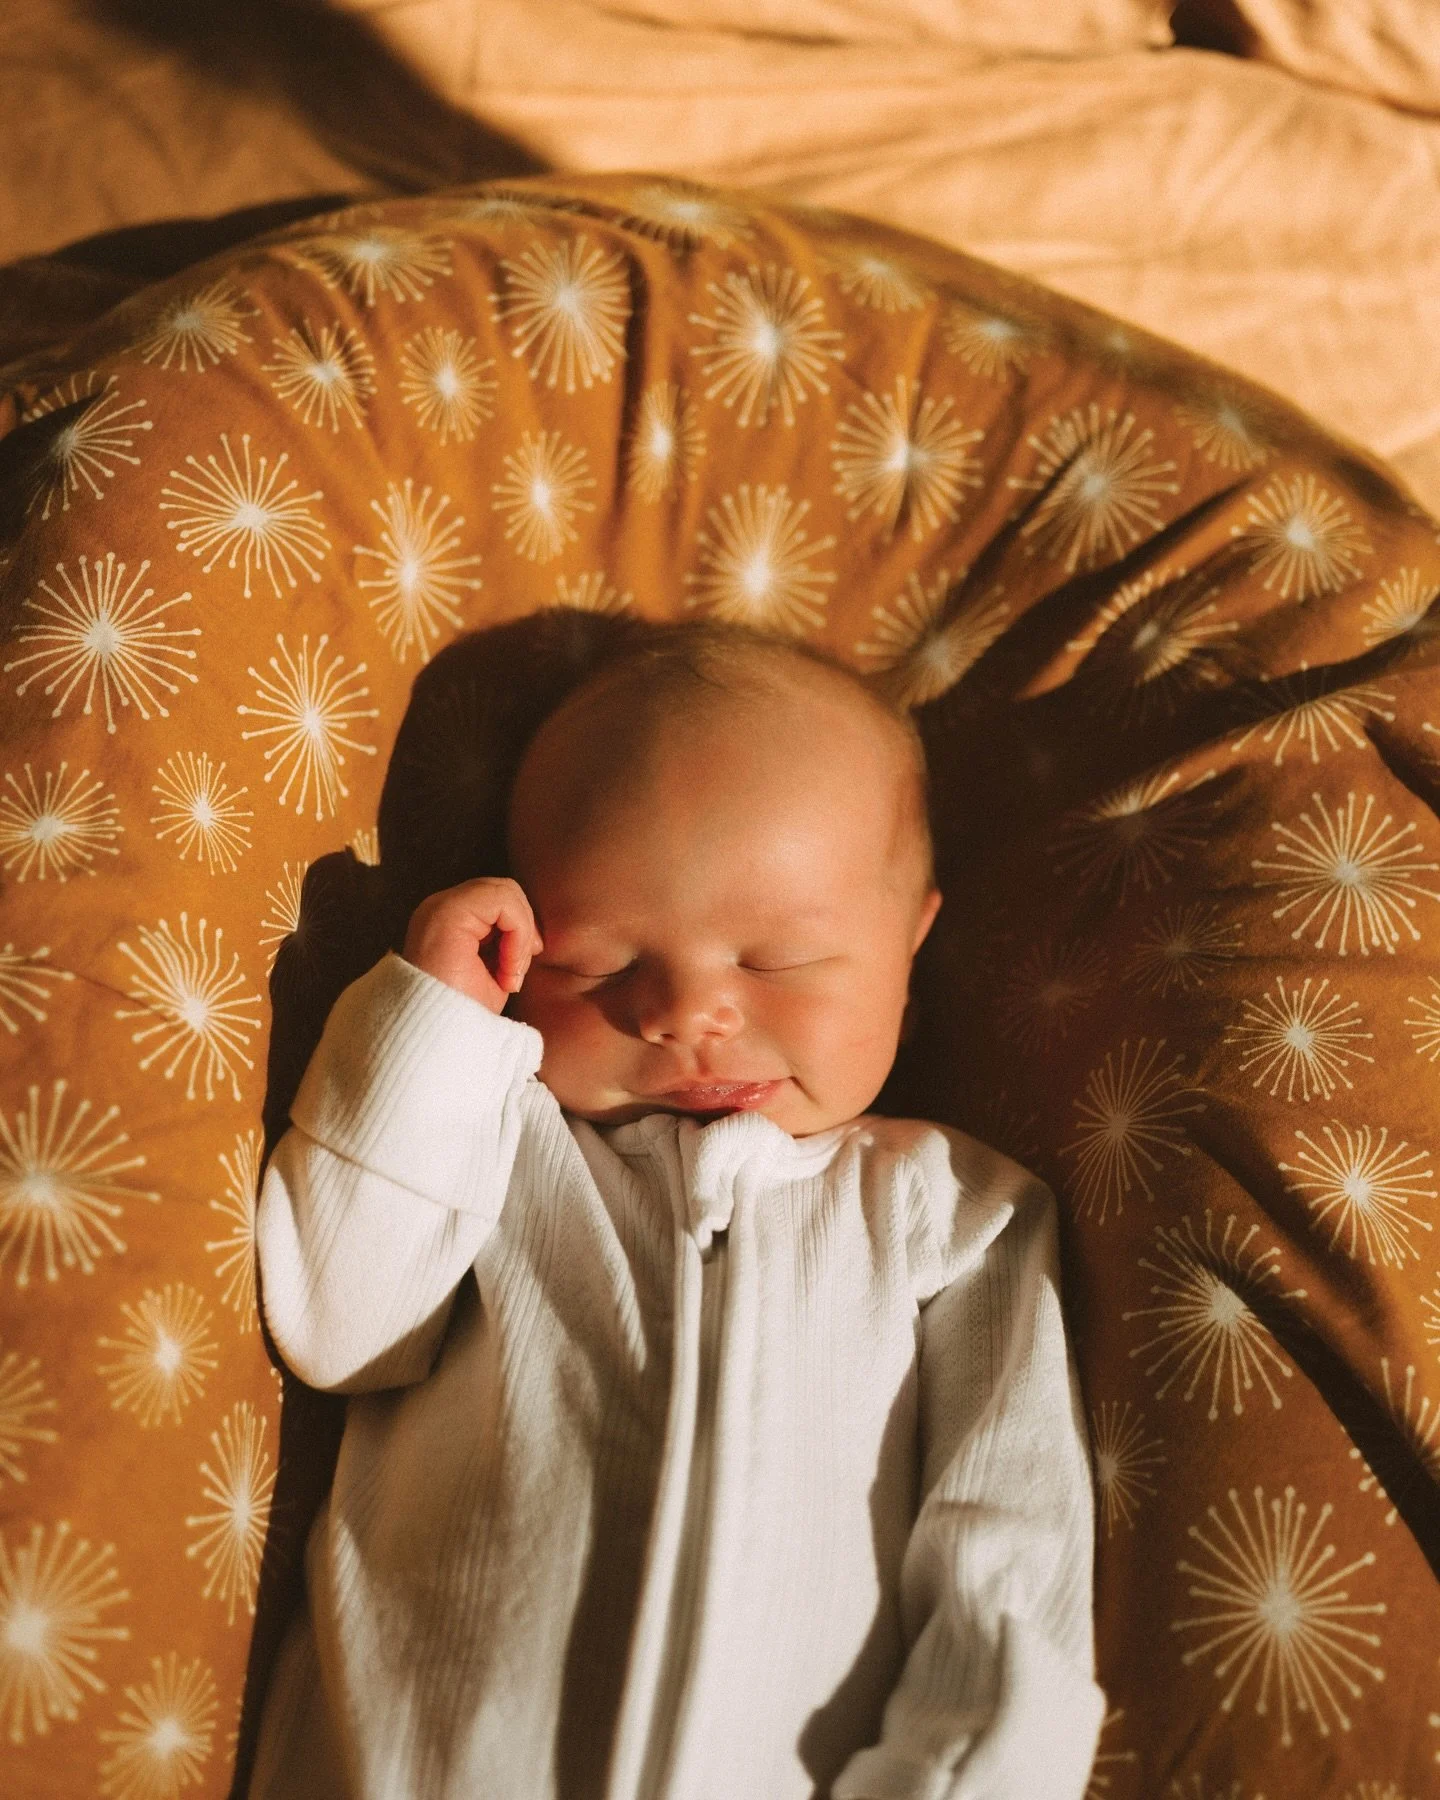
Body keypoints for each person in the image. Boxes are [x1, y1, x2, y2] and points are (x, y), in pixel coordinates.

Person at [249, 618, 1106, 1800]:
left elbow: (1012, 1559)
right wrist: (433, 1026)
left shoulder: (959, 1218)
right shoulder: (490, 1139)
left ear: (911, 939)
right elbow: (338, 1325)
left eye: (778, 960)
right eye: (598, 964)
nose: (685, 1013)